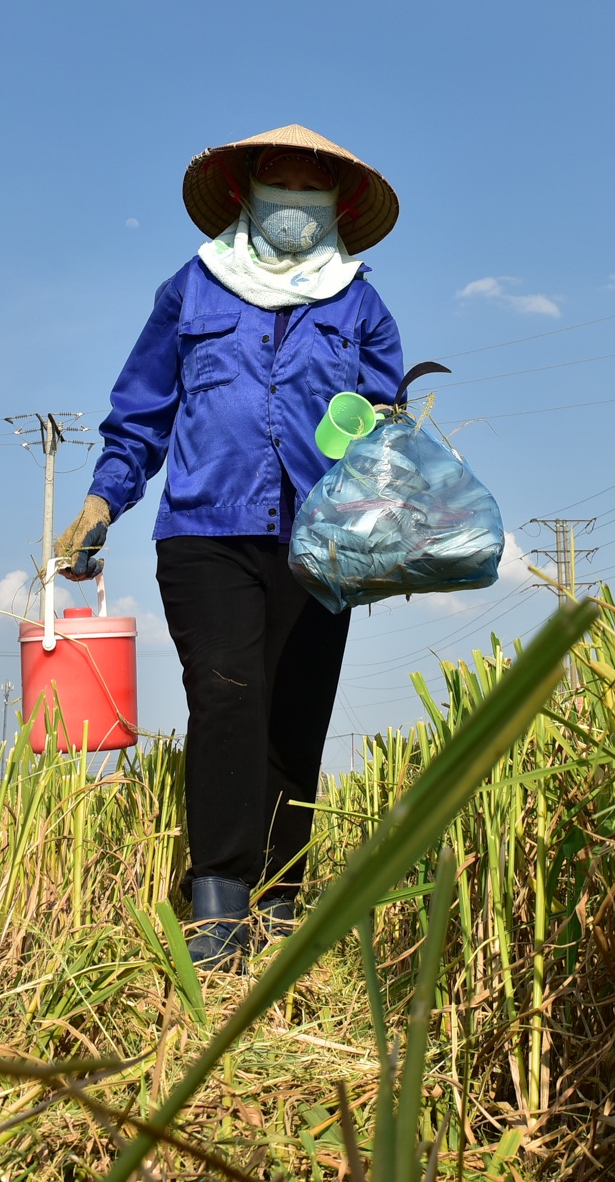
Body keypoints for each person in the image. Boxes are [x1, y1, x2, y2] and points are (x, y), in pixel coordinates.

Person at [55, 125, 403, 970]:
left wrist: (387, 460)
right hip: (208, 529)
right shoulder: (193, 290)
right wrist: (103, 500)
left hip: (322, 537)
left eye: (311, 183)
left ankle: (282, 901)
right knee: (225, 695)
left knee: (296, 713)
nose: (294, 196)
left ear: (337, 203)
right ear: (246, 190)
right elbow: (142, 410)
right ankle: (218, 900)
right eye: (278, 178)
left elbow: (390, 420)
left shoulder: (360, 303)